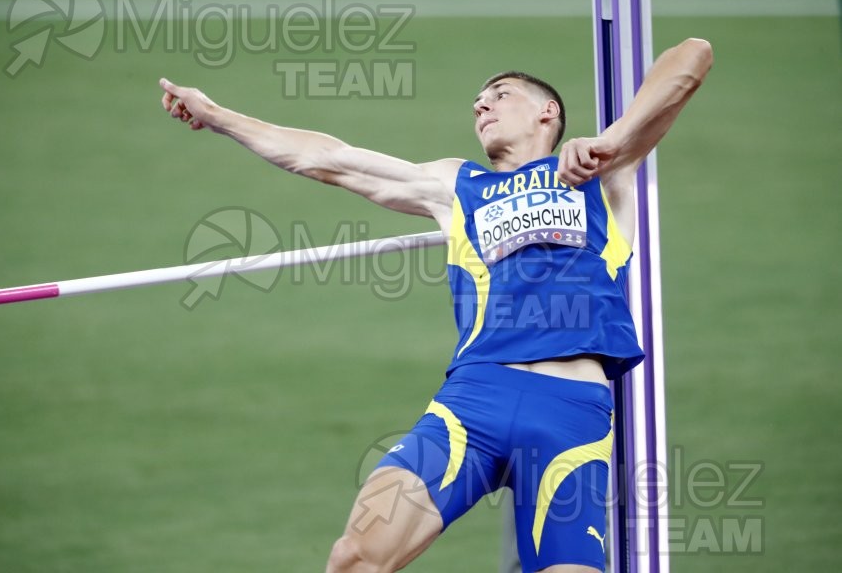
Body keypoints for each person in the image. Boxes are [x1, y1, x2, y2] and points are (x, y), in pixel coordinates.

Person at [159, 37, 712, 573]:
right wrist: (218, 115)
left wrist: (611, 141)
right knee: (354, 559)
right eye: (478, 100)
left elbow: (691, 57)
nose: (481, 104)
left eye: (500, 94)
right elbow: (327, 157)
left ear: (548, 111)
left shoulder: (604, 174)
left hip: (569, 412)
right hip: (474, 401)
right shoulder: (456, 185)